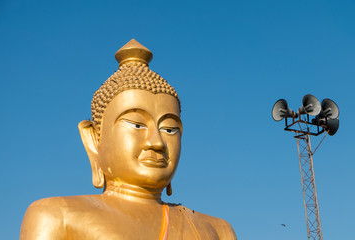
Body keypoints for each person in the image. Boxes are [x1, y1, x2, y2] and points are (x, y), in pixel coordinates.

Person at [20, 39, 237, 240]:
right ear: (93, 139)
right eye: (137, 125)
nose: (157, 142)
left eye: (170, 129)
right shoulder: (58, 216)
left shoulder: (217, 230)